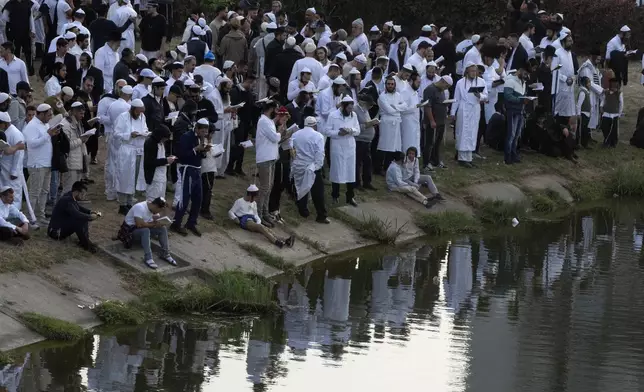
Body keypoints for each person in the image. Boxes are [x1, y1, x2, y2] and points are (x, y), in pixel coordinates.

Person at [171, 118, 211, 237]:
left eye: (205, 132)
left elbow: (201, 156)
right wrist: (195, 149)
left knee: (198, 198)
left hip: (197, 169)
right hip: (187, 169)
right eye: (202, 131)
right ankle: (176, 223)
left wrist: (204, 150)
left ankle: (191, 222)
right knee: (184, 198)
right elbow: (181, 154)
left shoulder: (201, 139)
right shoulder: (186, 137)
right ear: (197, 128)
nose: (204, 134)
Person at [117, 197, 177, 269]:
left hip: (141, 232)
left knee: (162, 228)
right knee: (146, 230)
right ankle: (148, 257)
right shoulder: (140, 207)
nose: (158, 213)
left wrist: (160, 222)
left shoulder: (152, 209)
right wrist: (154, 224)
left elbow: (148, 222)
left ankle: (165, 253)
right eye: (159, 210)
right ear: (156, 206)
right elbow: (139, 224)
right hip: (130, 233)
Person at [23, 103, 59, 226]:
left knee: (44, 191)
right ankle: (30, 218)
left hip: (46, 163)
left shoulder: (46, 124)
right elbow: (31, 144)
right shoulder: (31, 126)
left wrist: (52, 134)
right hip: (37, 164)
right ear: (42, 114)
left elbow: (45, 140)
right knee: (34, 192)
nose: (50, 117)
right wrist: (48, 134)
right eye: (48, 115)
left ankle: (41, 216)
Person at [228, 184, 295, 248]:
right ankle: (276, 242)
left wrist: (258, 221)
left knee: (267, 229)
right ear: (250, 195)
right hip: (245, 220)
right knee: (262, 228)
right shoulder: (239, 201)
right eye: (254, 197)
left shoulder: (254, 203)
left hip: (252, 220)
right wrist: (235, 218)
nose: (254, 199)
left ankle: (285, 240)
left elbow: (256, 214)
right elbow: (231, 212)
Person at [291, 116, 329, 223]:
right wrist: (318, 166)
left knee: (300, 188)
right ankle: (321, 215)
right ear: (315, 125)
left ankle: (303, 211)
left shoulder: (296, 134)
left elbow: (292, 149)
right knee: (318, 192)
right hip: (312, 167)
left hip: (298, 165)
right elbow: (320, 153)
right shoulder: (318, 136)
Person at [256, 102, 288, 227]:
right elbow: (275, 138)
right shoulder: (263, 121)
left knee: (269, 187)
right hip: (264, 158)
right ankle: (259, 215)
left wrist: (281, 124)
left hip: (271, 157)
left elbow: (274, 136)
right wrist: (280, 132)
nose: (278, 112)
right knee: (264, 188)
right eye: (276, 109)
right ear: (271, 109)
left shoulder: (268, 121)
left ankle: (265, 213)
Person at [113, 98, 148, 214]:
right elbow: (116, 134)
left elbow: (145, 129)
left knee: (134, 178)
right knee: (125, 178)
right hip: (126, 151)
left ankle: (129, 202)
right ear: (132, 109)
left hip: (138, 151)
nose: (139, 114)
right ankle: (122, 204)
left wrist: (146, 134)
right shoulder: (123, 117)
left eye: (141, 111)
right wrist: (129, 135)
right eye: (137, 111)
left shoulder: (142, 117)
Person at [451, 62, 488, 168]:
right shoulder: (460, 83)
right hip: (464, 109)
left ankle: (469, 157)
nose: (474, 73)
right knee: (462, 132)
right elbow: (456, 98)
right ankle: (462, 157)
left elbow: (486, 96)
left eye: (475, 71)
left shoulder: (481, 81)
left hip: (475, 109)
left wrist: (479, 95)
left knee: (472, 133)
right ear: (467, 71)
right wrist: (453, 112)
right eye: (472, 71)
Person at [325, 95, 360, 206]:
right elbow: (327, 131)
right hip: (337, 145)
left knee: (350, 171)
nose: (350, 111)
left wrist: (350, 130)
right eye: (348, 108)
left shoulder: (353, 115)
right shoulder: (333, 115)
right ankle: (335, 196)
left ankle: (350, 196)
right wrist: (338, 133)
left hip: (349, 146)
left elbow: (358, 130)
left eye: (351, 108)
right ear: (343, 106)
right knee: (337, 171)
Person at [47, 180, 98, 253]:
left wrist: (90, 212)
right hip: (55, 232)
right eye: (82, 194)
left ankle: (85, 241)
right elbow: (76, 213)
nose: (83, 196)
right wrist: (90, 217)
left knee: (82, 218)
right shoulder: (67, 200)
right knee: (79, 220)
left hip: (58, 228)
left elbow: (78, 207)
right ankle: (86, 245)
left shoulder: (70, 196)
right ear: (77, 192)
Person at [0, 111, 32, 219]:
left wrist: (14, 171)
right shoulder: (6, 131)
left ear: (4, 123)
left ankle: (16, 217)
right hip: (4, 169)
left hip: (12, 171)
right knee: (4, 194)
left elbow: (19, 154)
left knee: (14, 195)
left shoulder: (15, 133)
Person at [423, 74, 452, 170]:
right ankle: (426, 163)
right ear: (442, 81)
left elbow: (439, 102)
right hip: (433, 121)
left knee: (437, 143)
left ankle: (435, 161)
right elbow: (427, 106)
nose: (446, 88)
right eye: (446, 86)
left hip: (441, 121)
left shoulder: (441, 90)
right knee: (429, 143)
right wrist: (431, 120)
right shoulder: (430, 89)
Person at [503, 62, 530, 165]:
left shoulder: (523, 82)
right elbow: (508, 96)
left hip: (520, 111)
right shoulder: (510, 81)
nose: (526, 75)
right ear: (520, 70)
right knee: (511, 134)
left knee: (517, 134)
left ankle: (513, 154)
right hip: (512, 111)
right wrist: (521, 100)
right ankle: (508, 155)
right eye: (525, 73)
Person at [60, 101, 89, 192]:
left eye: (83, 113)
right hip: (70, 162)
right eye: (81, 113)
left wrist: (85, 138)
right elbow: (66, 145)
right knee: (68, 189)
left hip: (77, 161)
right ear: (74, 112)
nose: (83, 116)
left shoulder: (78, 123)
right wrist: (81, 140)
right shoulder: (65, 125)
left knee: (75, 190)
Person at [377, 76, 405, 170]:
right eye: (388, 84)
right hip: (386, 122)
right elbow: (388, 110)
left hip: (396, 122)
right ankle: (380, 167)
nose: (390, 86)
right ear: (385, 85)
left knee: (394, 146)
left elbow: (405, 106)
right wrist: (398, 108)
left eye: (392, 84)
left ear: (394, 85)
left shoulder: (398, 95)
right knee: (384, 146)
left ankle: (389, 167)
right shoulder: (382, 96)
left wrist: (395, 107)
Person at [143, 124, 175, 201]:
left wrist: (168, 157)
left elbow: (160, 155)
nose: (165, 140)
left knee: (161, 200)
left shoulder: (160, 142)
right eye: (164, 138)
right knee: (152, 200)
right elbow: (149, 162)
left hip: (162, 175)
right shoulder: (150, 143)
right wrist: (166, 160)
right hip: (154, 177)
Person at [353, 93, 377, 190]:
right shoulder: (355, 111)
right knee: (358, 163)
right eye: (369, 104)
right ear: (363, 103)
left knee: (367, 162)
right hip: (359, 141)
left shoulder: (365, 110)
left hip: (367, 141)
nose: (371, 107)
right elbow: (356, 127)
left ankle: (367, 182)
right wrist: (369, 124)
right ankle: (357, 183)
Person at [552, 32, 576, 124]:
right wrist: (565, 79)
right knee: (560, 113)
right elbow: (555, 70)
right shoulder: (557, 53)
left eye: (571, 40)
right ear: (563, 42)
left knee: (568, 114)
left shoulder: (569, 53)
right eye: (569, 41)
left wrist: (572, 78)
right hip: (561, 87)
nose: (571, 43)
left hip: (570, 88)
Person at [600, 77, 623, 148]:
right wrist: (601, 107)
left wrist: (619, 113)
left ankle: (612, 142)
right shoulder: (606, 92)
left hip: (614, 114)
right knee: (604, 127)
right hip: (606, 113)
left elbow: (621, 104)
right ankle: (606, 140)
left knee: (613, 129)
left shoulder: (619, 94)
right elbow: (603, 100)